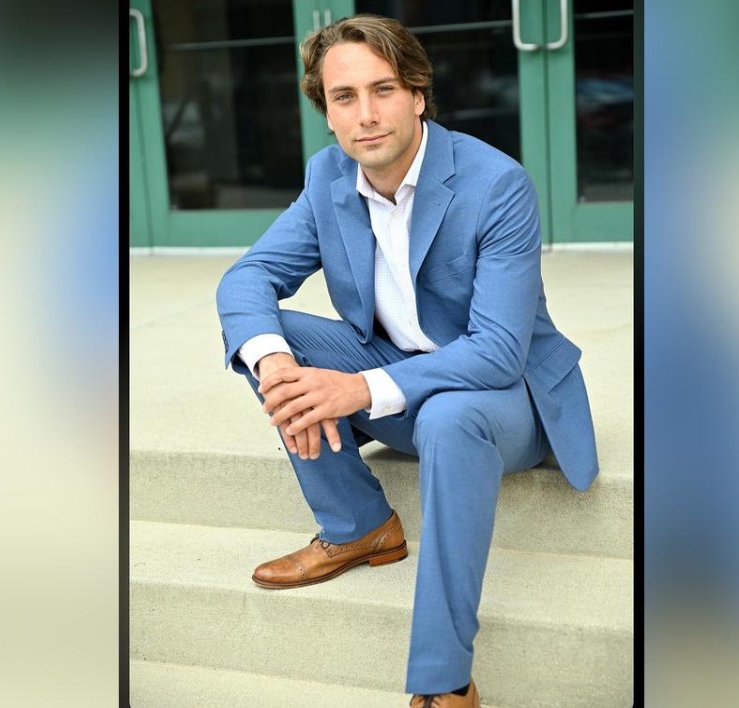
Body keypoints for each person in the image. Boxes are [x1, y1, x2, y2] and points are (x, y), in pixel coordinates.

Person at [216, 14, 599, 707]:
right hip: (400, 381)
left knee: (451, 419)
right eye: (344, 97)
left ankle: (443, 682)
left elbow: (497, 352)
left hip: (504, 399)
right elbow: (246, 279)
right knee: (270, 336)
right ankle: (360, 527)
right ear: (326, 112)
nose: (365, 115)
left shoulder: (496, 184)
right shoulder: (328, 176)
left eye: (383, 89)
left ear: (418, 95)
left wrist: (357, 388)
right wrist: (277, 370)